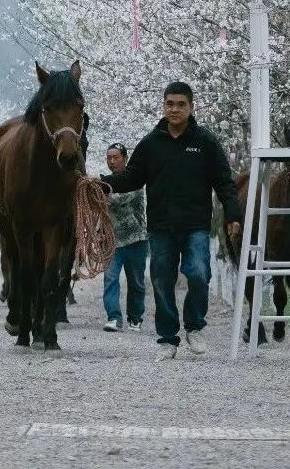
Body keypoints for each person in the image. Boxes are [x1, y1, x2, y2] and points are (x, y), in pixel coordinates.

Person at [102, 81, 242, 360]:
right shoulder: (151, 143)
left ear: (191, 107)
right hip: (161, 226)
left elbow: (224, 183)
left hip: (196, 225)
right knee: (162, 281)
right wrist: (103, 184)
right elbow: (132, 177)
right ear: (164, 106)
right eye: (170, 104)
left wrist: (233, 214)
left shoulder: (205, 142)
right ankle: (168, 339)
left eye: (180, 104)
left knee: (200, 273)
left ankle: (194, 326)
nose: (174, 109)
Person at [101, 142, 148, 333]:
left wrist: (100, 192)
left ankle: (135, 317)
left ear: (125, 159)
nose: (112, 162)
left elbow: (119, 200)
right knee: (110, 278)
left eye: (116, 158)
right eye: (109, 158)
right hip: (112, 241)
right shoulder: (104, 182)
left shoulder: (135, 180)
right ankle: (113, 317)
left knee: (136, 281)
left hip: (136, 239)